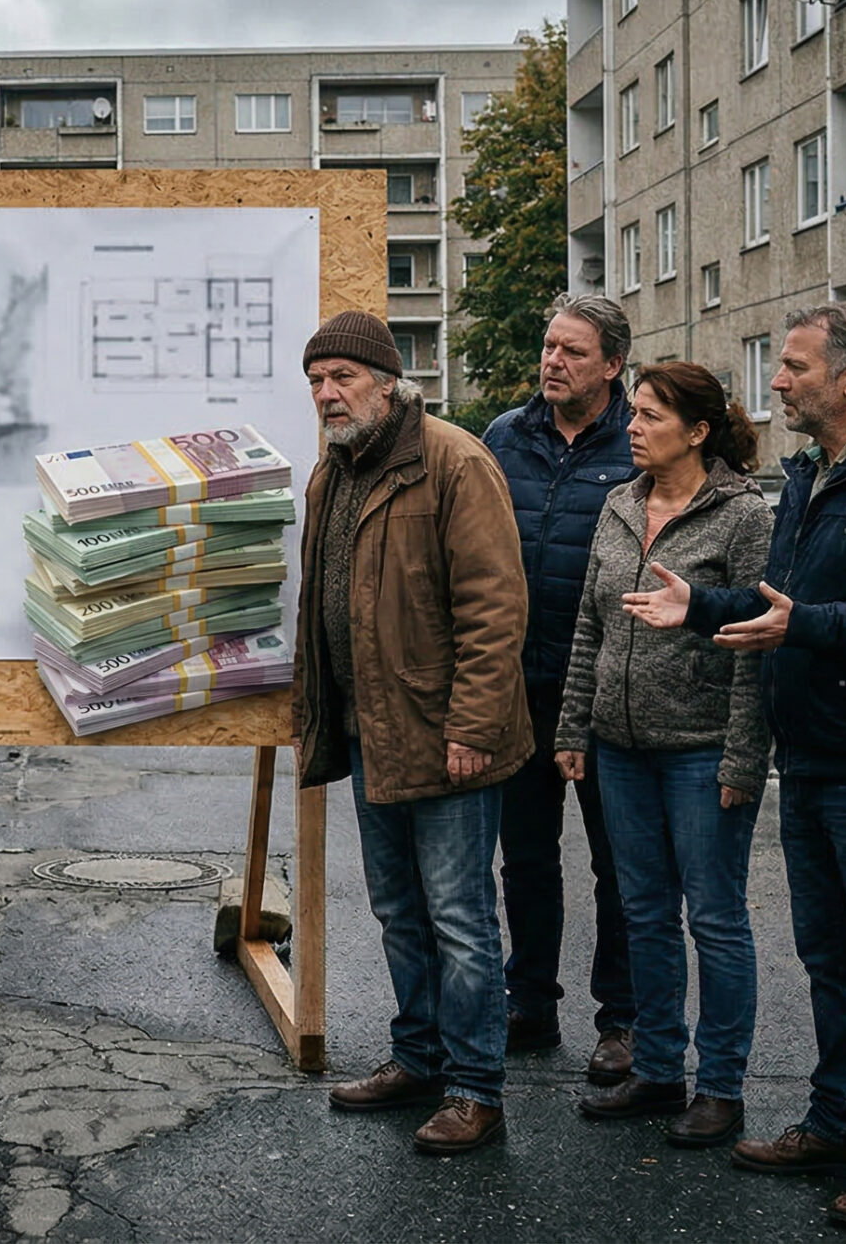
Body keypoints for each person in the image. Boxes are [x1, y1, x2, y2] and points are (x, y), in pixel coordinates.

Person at [625, 301, 846, 1232]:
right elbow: (785, 600)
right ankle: (838, 1123)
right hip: (816, 753)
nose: (776, 381)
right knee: (833, 959)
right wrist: (701, 605)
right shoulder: (817, 475)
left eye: (793, 366)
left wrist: (803, 626)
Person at [293, 310, 532, 1156]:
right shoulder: (334, 472)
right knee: (398, 908)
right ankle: (419, 1057)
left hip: (447, 737)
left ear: (387, 382)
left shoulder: (454, 460)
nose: (327, 393)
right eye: (317, 379)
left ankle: (475, 1088)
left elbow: (495, 607)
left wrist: (472, 723)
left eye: (343, 377)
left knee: (461, 916)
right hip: (372, 734)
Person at [556, 361, 772, 1148]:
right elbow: (590, 623)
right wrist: (573, 728)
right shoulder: (620, 503)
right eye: (635, 413)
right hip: (619, 748)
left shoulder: (744, 515)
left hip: (700, 747)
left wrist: (742, 758)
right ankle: (657, 1068)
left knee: (715, 919)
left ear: (698, 430)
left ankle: (720, 1086)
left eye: (649, 415)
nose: (634, 426)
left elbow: (756, 645)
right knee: (643, 912)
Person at [480, 295, 640, 1084]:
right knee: (527, 858)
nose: (553, 361)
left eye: (573, 351)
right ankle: (529, 1001)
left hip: (609, 694)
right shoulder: (505, 438)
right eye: (548, 346)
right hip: (520, 684)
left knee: (621, 862)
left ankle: (623, 1020)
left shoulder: (641, 442)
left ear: (612, 364)